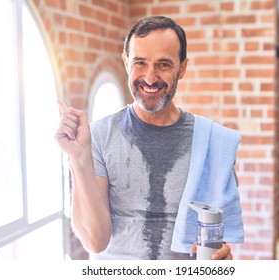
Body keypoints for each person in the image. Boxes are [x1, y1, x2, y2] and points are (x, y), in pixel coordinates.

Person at [55, 15, 244, 260]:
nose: (150, 77)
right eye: (140, 63)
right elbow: (95, 240)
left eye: (164, 64)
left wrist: (221, 257)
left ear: (182, 68)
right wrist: (78, 158)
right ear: (126, 63)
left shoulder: (211, 142)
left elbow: (214, 238)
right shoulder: (98, 136)